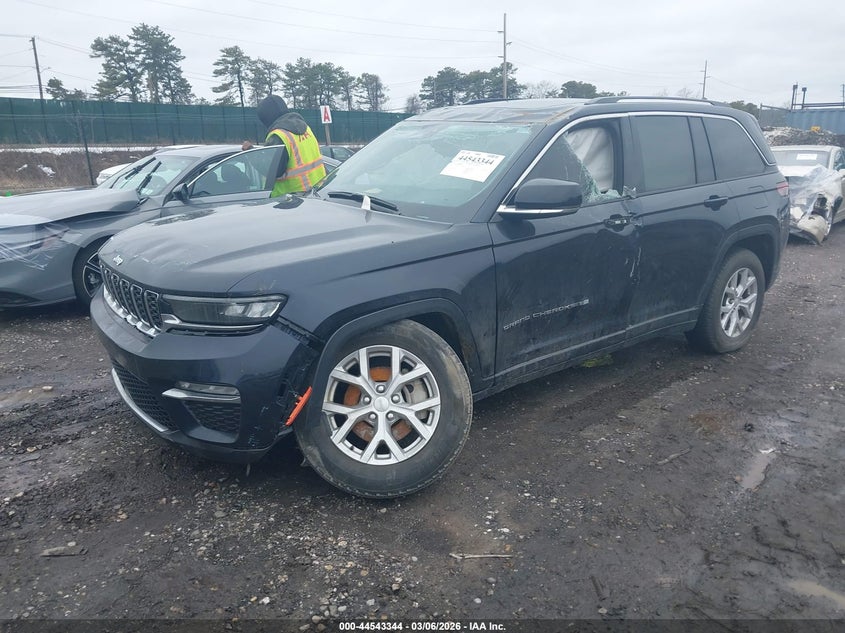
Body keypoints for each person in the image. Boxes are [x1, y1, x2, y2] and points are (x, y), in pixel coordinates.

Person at [244, 95, 326, 196]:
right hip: (318, 191)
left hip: (291, 200)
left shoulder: (279, 136)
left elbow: (271, 169)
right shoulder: (306, 128)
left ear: (266, 118)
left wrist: (250, 152)